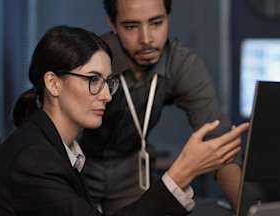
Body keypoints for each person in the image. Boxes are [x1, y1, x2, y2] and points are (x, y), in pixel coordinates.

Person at [0, 25, 248, 216]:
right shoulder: (34, 159)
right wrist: (181, 172)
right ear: (53, 83)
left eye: (108, 82)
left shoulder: (56, 148)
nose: (106, 95)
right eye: (93, 80)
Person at [80, 0, 245, 214]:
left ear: (168, 17)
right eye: (131, 26)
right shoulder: (91, 61)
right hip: (79, 167)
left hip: (133, 171)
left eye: (156, 23)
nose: (146, 39)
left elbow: (220, 141)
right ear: (112, 23)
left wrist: (246, 211)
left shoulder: (181, 63)